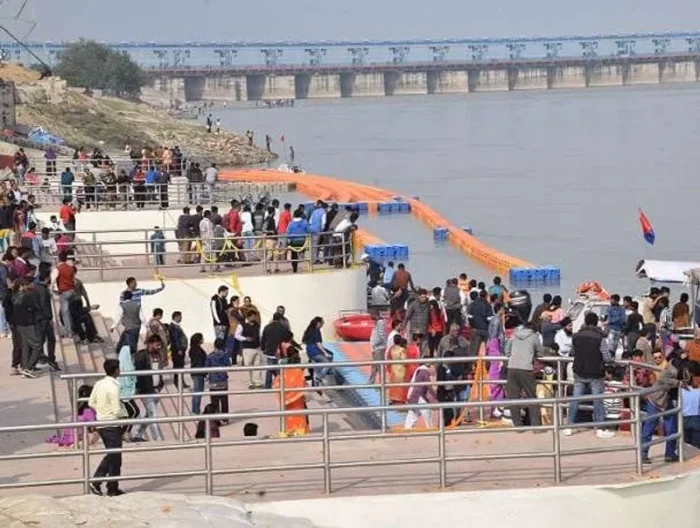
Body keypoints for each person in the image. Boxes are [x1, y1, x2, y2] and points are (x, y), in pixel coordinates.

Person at [564, 312, 615, 438]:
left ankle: (569, 426)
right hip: (595, 373)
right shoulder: (599, 337)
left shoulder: (576, 336)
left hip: (579, 371)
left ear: (585, 322)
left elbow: (572, 352)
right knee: (598, 401)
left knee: (575, 399)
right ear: (596, 323)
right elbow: (607, 357)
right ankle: (600, 428)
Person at [88, 358, 127, 496]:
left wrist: (101, 411)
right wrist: (125, 415)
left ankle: (110, 486)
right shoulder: (114, 387)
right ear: (116, 370)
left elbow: (91, 402)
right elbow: (116, 410)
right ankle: (100, 483)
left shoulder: (99, 384)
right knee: (114, 457)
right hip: (112, 424)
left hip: (101, 423)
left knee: (113, 455)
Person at [642, 354, 682, 464]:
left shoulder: (673, 368)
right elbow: (664, 379)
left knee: (671, 427)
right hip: (655, 401)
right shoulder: (670, 370)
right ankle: (643, 454)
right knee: (649, 427)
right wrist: (678, 383)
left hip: (666, 401)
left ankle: (670, 454)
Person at [504, 322, 545, 428]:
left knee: (513, 398)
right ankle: (536, 426)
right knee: (532, 397)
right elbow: (541, 352)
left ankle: (517, 425)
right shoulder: (534, 336)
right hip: (526, 368)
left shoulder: (514, 335)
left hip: (512, 368)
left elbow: (507, 351)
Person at [131, 336, 164, 442]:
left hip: (156, 389)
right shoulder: (141, 355)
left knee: (149, 414)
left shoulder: (158, 355)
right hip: (146, 390)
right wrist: (139, 387)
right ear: (150, 344)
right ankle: (158, 439)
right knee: (153, 414)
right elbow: (138, 373)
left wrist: (160, 385)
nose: (159, 347)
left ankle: (137, 434)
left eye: (160, 345)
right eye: (157, 345)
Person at [274, 339, 310, 435]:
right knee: (300, 412)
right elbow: (303, 379)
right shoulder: (298, 367)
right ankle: (301, 430)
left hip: (286, 394)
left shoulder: (283, 363)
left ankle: (289, 430)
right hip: (298, 395)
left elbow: (277, 380)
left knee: (289, 414)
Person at [13, 279, 43, 378]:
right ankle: (29, 367)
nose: (27, 286)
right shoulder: (26, 297)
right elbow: (35, 308)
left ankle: (24, 367)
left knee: (25, 346)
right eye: (25, 285)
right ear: (21, 286)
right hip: (28, 324)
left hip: (19, 325)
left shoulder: (14, 296)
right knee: (37, 345)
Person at [33, 269, 60, 371]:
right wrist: (49, 318)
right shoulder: (43, 290)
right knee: (50, 339)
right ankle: (51, 359)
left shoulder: (35, 287)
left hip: (37, 318)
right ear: (47, 278)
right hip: (44, 318)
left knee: (41, 339)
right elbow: (45, 305)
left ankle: (40, 357)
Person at [404, 361, 437, 429]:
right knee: (427, 413)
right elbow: (428, 386)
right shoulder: (424, 371)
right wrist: (435, 396)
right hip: (419, 396)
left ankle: (407, 428)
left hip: (414, 396)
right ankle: (429, 428)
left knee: (413, 415)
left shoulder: (419, 371)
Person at [51, 252, 77, 337]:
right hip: (72, 290)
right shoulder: (70, 268)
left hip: (64, 291)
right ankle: (74, 329)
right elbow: (74, 280)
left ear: (59, 258)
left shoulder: (58, 268)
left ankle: (69, 332)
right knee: (71, 311)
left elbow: (52, 280)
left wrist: (54, 289)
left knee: (65, 312)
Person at [260, 312, 288, 389]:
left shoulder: (267, 327)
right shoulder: (283, 328)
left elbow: (263, 339)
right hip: (280, 351)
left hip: (270, 351)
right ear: (280, 319)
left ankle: (267, 386)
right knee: (280, 369)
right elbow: (286, 339)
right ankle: (280, 385)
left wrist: (263, 348)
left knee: (269, 369)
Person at [206, 338, 231, 421]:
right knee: (224, 401)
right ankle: (225, 419)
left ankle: (216, 419)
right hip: (223, 380)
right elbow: (229, 365)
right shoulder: (225, 355)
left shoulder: (210, 356)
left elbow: (206, 366)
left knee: (214, 401)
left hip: (213, 380)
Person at [467, 290, 493, 357]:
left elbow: (470, 317)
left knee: (474, 350)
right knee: (486, 350)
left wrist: (472, 326)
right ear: (486, 296)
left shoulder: (473, 304)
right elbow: (489, 318)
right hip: (486, 330)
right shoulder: (488, 305)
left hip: (476, 330)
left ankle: (472, 362)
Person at [240, 313, 263, 389]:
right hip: (247, 348)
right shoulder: (243, 325)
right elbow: (237, 335)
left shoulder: (258, 325)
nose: (253, 317)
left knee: (257, 365)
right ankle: (250, 383)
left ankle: (258, 382)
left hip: (257, 348)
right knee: (248, 366)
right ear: (248, 317)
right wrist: (245, 338)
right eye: (251, 315)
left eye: (254, 316)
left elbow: (260, 335)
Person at [385, 334, 408, 404]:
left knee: (393, 384)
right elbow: (405, 360)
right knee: (401, 384)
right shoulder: (402, 350)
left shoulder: (391, 349)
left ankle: (392, 398)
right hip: (401, 369)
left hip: (393, 368)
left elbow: (388, 358)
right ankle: (400, 398)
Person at [188, 333, 207, 415]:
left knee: (197, 391)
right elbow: (200, 361)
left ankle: (195, 409)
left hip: (195, 372)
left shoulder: (193, 349)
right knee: (198, 392)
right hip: (198, 372)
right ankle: (195, 410)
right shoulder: (198, 351)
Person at [170, 311, 189, 389]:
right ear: (176, 317)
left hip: (179, 349)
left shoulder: (176, 326)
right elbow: (176, 339)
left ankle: (180, 381)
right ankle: (179, 382)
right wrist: (179, 349)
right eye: (180, 317)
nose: (181, 318)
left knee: (179, 366)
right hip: (177, 350)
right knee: (179, 366)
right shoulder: (174, 327)